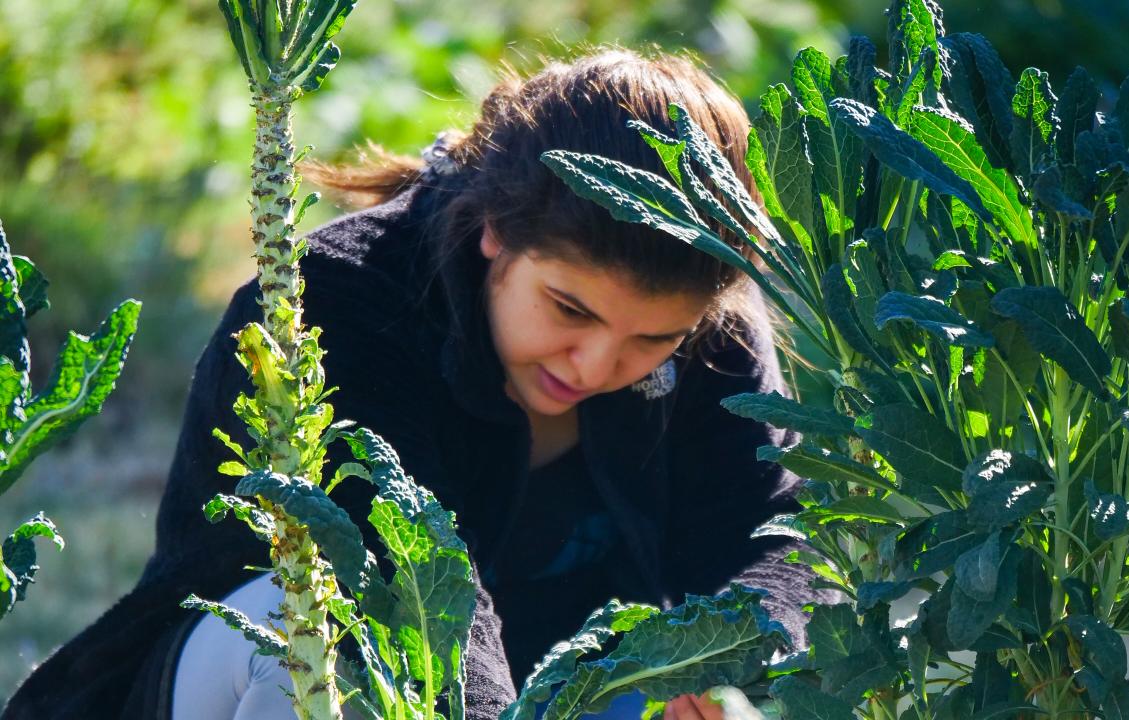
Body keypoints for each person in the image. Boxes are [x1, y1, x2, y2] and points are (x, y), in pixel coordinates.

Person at [2, 47, 826, 720]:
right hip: (263, 681)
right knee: (314, 635)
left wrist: (733, 667)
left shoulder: (715, 336)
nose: (597, 365)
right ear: (497, 232)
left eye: (653, 340)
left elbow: (778, 541)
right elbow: (401, 586)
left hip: (556, 697)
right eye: (568, 309)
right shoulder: (334, 301)